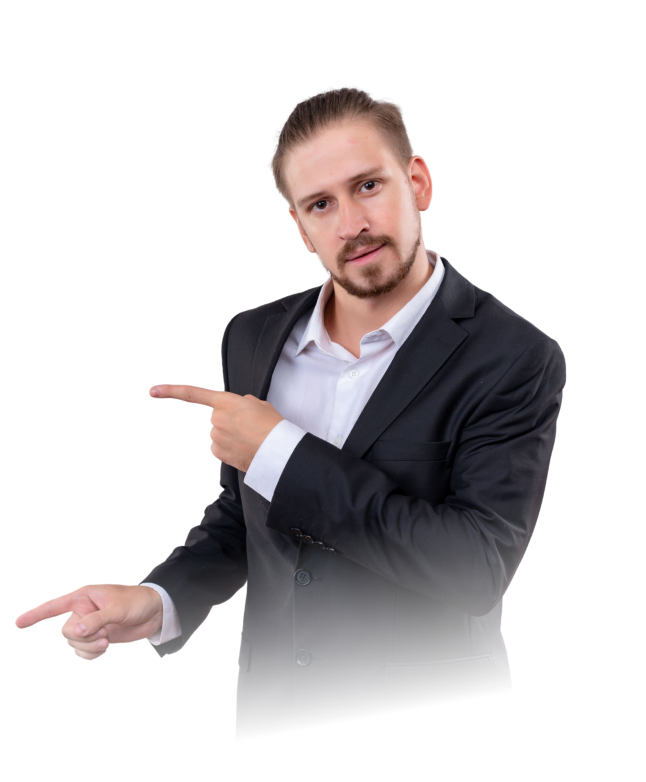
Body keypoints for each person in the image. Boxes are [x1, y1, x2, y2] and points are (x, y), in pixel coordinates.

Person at [15, 86, 566, 739]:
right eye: (321, 204)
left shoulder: (514, 354)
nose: (351, 224)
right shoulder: (252, 336)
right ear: (300, 227)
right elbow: (239, 519)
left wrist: (281, 452)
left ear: (417, 181)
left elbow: (476, 565)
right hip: (274, 712)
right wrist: (156, 598)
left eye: (368, 185)